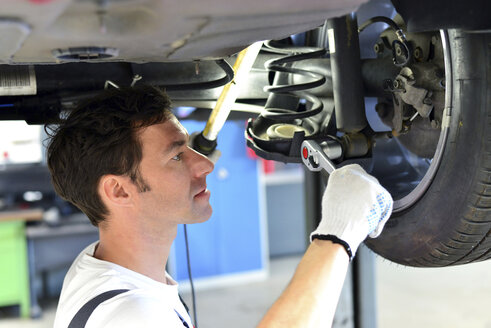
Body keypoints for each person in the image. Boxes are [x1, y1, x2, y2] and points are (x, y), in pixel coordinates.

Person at [47, 85, 392, 328]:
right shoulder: (132, 317)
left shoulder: (98, 267)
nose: (205, 165)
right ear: (118, 191)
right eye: (177, 155)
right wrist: (338, 234)